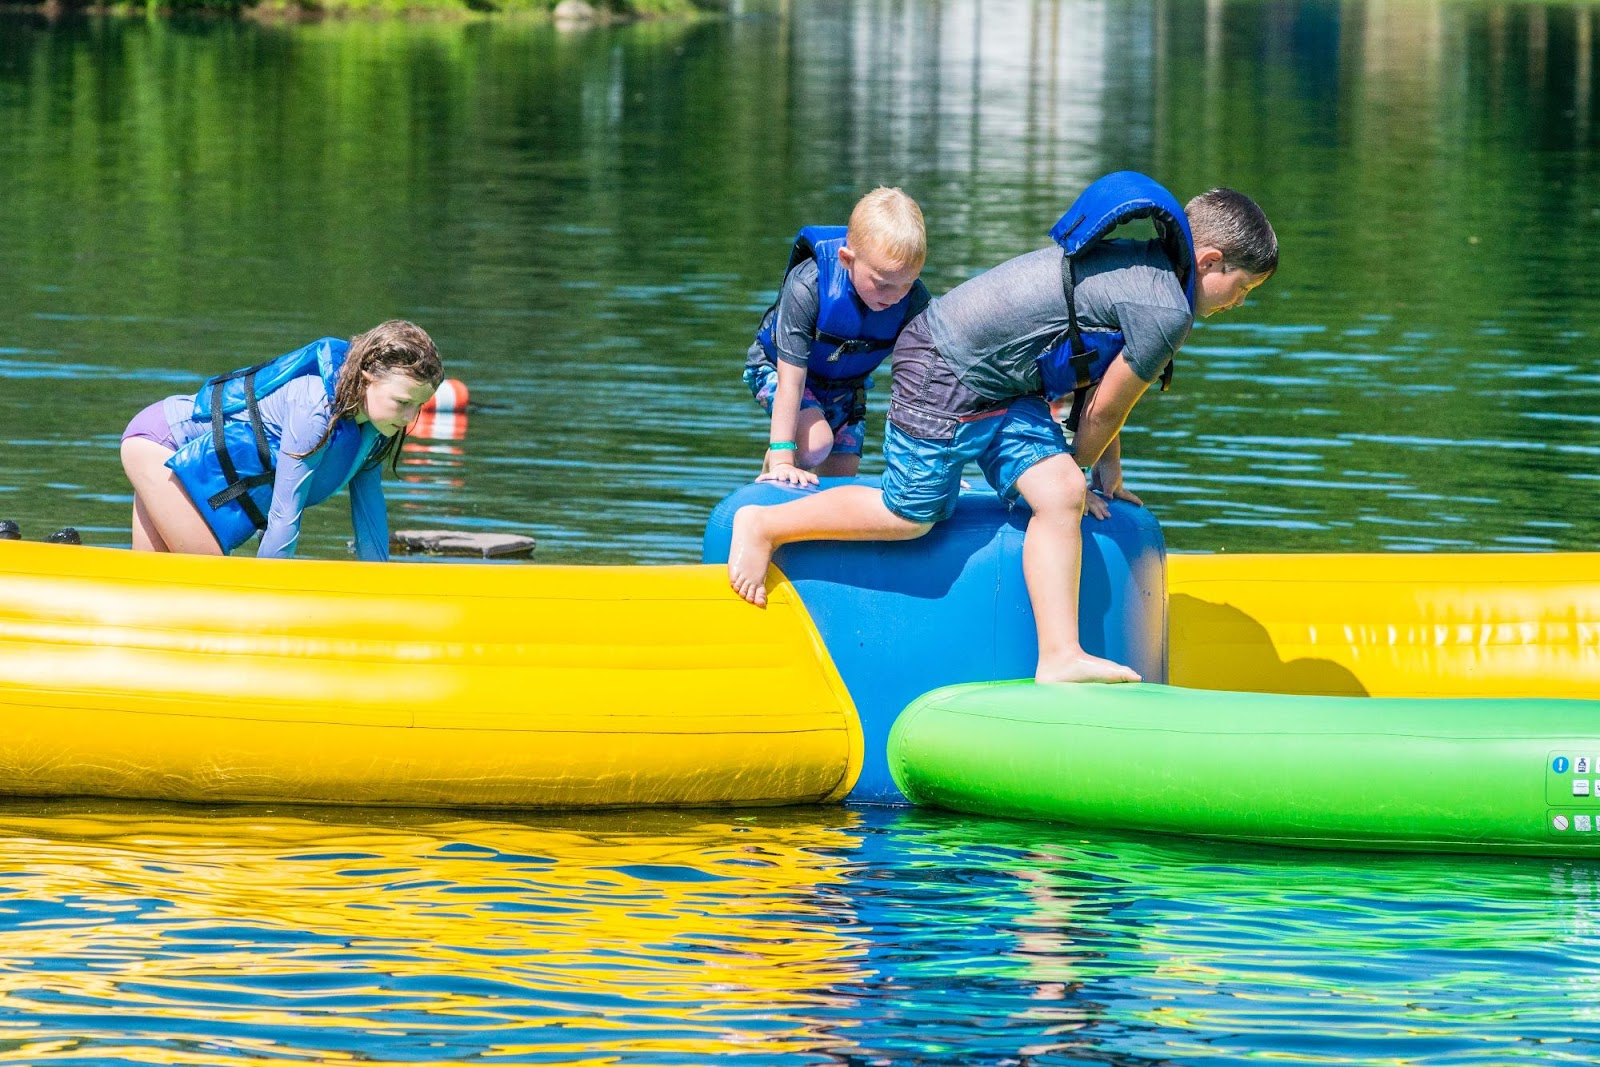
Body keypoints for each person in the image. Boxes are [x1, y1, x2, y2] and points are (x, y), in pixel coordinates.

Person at [728, 172, 1277, 684]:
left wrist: (1102, 474)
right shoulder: (1166, 311)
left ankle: (1059, 655)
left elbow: (1101, 378)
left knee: (1061, 494)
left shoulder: (1144, 272)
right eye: (1243, 287)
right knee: (912, 514)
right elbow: (1106, 410)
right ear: (1207, 261)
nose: (1239, 303)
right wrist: (1086, 462)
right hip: (943, 365)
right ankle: (765, 526)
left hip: (1004, 387)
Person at [119, 319, 443, 561]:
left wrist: (381, 592)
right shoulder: (315, 408)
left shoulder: (374, 429)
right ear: (367, 377)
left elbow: (370, 519)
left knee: (150, 587)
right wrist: (269, 596)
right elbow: (285, 515)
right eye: (402, 402)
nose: (409, 417)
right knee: (212, 583)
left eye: (419, 405)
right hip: (161, 446)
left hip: (180, 459)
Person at [742, 187, 931, 485]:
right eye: (882, 284)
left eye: (906, 284)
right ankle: (769, 474)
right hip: (779, 371)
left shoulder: (914, 302)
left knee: (842, 480)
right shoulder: (809, 285)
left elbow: (923, 384)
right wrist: (782, 457)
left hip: (846, 387)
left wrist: (928, 466)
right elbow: (791, 381)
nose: (894, 297)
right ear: (846, 259)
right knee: (816, 443)